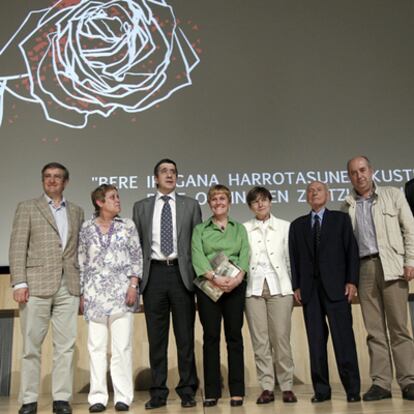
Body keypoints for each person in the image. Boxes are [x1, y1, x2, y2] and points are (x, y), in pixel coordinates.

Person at [9, 162, 84, 414]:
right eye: (47, 177)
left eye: (57, 177)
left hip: (69, 285)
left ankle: (61, 399)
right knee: (31, 346)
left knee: (65, 347)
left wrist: (81, 288)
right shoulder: (28, 207)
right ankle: (28, 400)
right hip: (36, 286)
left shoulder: (76, 211)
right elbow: (18, 247)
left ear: (66, 182)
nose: (52, 180)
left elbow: (78, 252)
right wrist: (19, 282)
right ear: (43, 180)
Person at [132, 159, 201, 409]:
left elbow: (197, 244)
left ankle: (187, 389)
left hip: (181, 275)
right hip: (154, 276)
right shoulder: (140, 207)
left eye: (173, 172)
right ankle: (158, 391)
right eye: (164, 171)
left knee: (185, 337)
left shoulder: (191, 205)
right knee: (156, 338)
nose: (169, 175)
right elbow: (136, 246)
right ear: (155, 179)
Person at [344, 155, 414, 401]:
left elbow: (410, 228)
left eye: (362, 170)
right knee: (374, 330)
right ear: (349, 177)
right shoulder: (347, 205)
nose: (359, 175)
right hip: (364, 270)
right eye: (353, 172)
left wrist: (410, 261)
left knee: (399, 328)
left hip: (392, 265)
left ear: (371, 171)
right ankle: (381, 383)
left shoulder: (393, 195)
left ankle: (408, 381)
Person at [289, 181, 361, 403]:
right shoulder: (297, 225)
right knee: (316, 342)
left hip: (337, 289)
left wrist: (352, 281)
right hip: (310, 292)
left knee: (344, 340)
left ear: (327, 195)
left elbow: (351, 252)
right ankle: (321, 390)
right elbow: (294, 259)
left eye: (318, 190)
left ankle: (352, 389)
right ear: (306, 197)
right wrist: (297, 286)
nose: (314, 193)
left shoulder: (340, 220)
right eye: (310, 191)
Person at [78, 184, 143, 413]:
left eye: (118, 196)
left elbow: (136, 257)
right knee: (96, 347)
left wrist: (133, 285)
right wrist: (83, 293)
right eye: (112, 197)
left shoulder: (127, 226)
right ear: (99, 202)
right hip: (95, 295)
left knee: (122, 347)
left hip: (121, 294)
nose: (118, 200)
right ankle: (97, 397)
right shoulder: (86, 228)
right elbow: (82, 262)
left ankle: (123, 396)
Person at [192, 184, 250, 407]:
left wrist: (236, 279)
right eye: (214, 199)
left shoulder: (239, 229)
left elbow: (245, 254)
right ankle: (212, 391)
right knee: (211, 337)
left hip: (235, 287)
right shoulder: (200, 229)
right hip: (209, 288)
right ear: (209, 203)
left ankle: (237, 391)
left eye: (222, 199)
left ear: (229, 202)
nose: (218, 203)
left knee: (234, 337)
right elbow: (197, 256)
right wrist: (215, 278)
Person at [243, 186, 297, 404]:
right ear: (250, 206)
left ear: (271, 202)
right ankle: (266, 386)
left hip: (280, 288)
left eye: (264, 200)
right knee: (260, 341)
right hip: (253, 289)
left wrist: (293, 286)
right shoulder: (243, 228)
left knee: (281, 338)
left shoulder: (285, 226)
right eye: (255, 202)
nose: (260, 204)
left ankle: (287, 386)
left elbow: (290, 260)